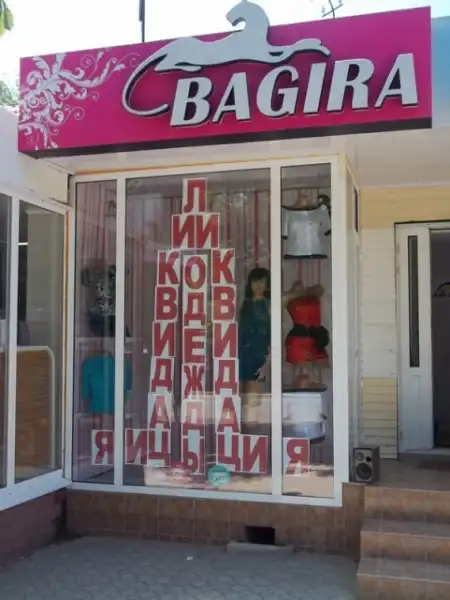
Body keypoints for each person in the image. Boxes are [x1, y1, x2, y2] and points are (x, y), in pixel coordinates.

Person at [238, 267, 271, 430]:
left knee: (253, 389)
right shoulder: (245, 304)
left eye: (262, 282)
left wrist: (269, 357)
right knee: (240, 389)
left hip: (259, 352)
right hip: (242, 352)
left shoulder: (269, 305)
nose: (258, 285)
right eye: (255, 282)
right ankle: (241, 425)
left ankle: (249, 427)